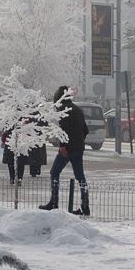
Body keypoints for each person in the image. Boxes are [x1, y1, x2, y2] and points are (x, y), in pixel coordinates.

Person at [40, 86, 90, 215]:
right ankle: (85, 206)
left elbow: (64, 130)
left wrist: (63, 146)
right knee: (80, 177)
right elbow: (86, 130)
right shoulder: (78, 109)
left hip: (68, 148)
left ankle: (54, 202)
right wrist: (79, 140)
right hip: (79, 147)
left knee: (54, 172)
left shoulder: (64, 110)